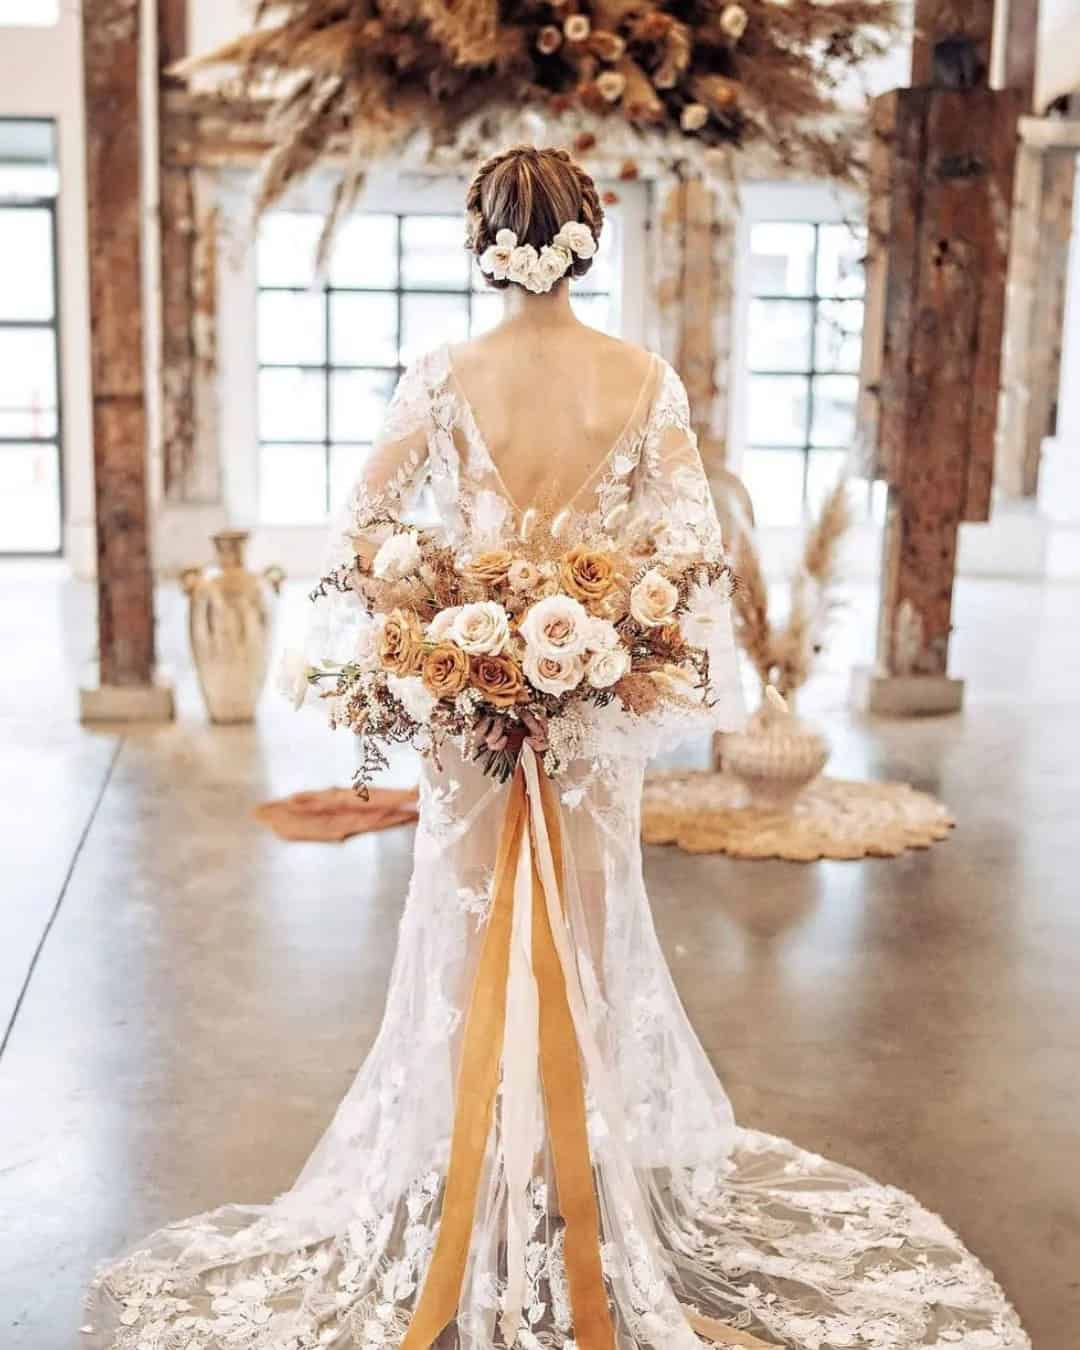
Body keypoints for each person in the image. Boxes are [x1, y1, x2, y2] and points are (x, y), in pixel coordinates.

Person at [84, 145, 1028, 1350]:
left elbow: (361, 534)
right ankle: (573, 1179)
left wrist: (447, 613)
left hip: (472, 713)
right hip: (586, 710)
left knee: (463, 928)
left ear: (485, 244)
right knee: (590, 928)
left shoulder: (442, 376)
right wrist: (596, 628)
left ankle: (486, 1180)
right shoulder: (644, 380)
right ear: (589, 238)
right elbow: (690, 554)